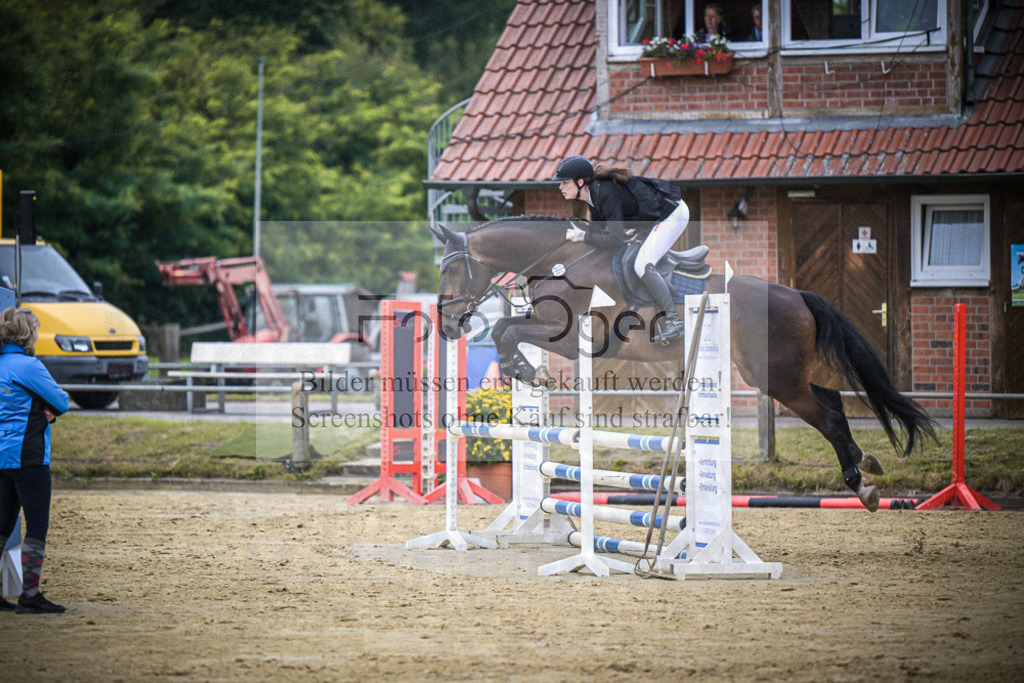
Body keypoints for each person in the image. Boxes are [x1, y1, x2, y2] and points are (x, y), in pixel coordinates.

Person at [553, 155, 690, 344]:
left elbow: (615, 239)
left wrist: (584, 236)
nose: (560, 187)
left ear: (580, 182)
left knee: (642, 264)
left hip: (671, 214)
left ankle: (674, 321)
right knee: (628, 258)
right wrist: (582, 234)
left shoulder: (603, 193)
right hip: (650, 218)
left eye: (565, 182)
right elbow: (597, 231)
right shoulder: (594, 197)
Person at [0, 306, 69, 614]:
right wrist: (47, 411)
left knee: (1, 525)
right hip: (28, 455)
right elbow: (62, 402)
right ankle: (30, 594)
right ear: (28, 333)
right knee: (37, 524)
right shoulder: (29, 365)